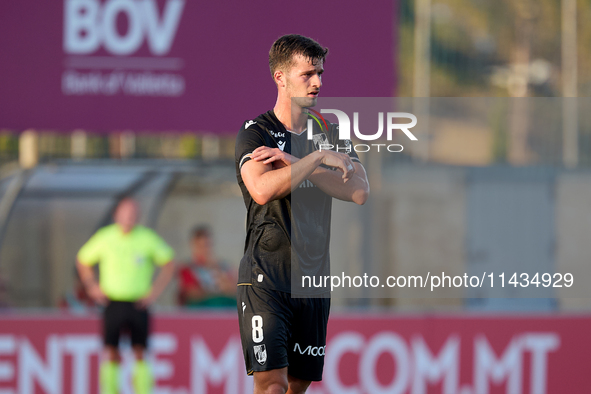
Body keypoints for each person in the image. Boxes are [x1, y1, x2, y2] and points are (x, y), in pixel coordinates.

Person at [235, 34, 370, 394]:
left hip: (313, 281)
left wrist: (300, 161)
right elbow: (262, 189)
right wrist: (316, 159)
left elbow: (359, 191)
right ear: (280, 77)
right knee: (272, 386)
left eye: (320, 73)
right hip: (267, 276)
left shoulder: (328, 130)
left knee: (297, 386)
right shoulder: (256, 132)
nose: (318, 82)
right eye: (308, 73)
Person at [76, 198, 175, 394]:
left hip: (138, 302)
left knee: (140, 350)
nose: (128, 217)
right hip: (112, 301)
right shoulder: (105, 237)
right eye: (125, 212)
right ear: (116, 215)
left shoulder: (146, 238)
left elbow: (169, 262)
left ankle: (143, 391)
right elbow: (83, 259)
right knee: (111, 350)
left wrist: (154, 292)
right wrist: (92, 287)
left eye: (132, 213)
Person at [178, 225, 236, 308]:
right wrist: (218, 289)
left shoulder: (223, 266)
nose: (205, 250)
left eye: (207, 245)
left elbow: (234, 289)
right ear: (193, 245)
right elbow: (193, 293)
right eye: (200, 246)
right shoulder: (187, 269)